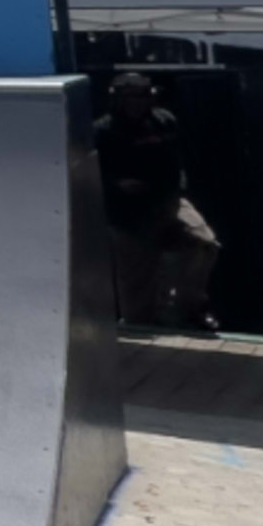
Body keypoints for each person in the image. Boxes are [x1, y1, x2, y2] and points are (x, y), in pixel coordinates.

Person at [95, 70, 220, 332]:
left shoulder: (164, 121)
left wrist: (176, 189)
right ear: (117, 99)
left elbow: (177, 158)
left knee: (204, 244)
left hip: (168, 201)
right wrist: (118, 184)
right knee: (138, 285)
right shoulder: (102, 131)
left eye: (141, 95)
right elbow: (96, 173)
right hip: (128, 216)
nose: (136, 102)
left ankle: (189, 309)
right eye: (129, 97)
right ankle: (138, 330)